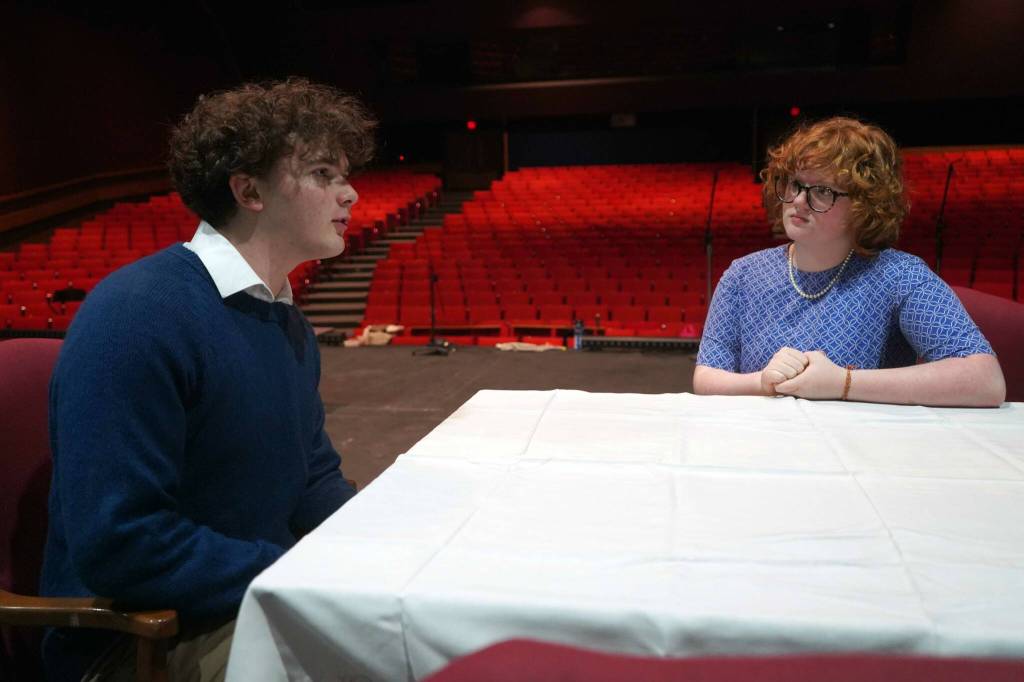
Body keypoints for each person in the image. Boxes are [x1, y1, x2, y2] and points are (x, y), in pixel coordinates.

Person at [41, 78, 376, 681]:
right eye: (324, 173)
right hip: (137, 640)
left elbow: (312, 478)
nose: (349, 193)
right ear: (248, 190)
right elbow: (123, 544)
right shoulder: (138, 315)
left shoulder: (284, 318)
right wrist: (296, 572)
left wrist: (379, 553)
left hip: (252, 601)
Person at [693, 117, 1005, 406]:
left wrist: (844, 383)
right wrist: (761, 383)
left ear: (863, 205)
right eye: (795, 184)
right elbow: (706, 377)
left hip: (864, 452)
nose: (799, 200)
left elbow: (985, 380)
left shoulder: (899, 276)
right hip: (764, 445)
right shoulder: (744, 274)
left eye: (823, 191)